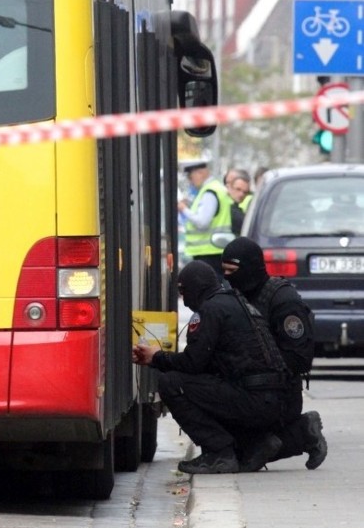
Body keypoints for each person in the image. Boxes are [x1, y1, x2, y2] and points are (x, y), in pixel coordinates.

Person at [133, 260, 296, 474]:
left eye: (184, 292)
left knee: (172, 383)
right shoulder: (238, 302)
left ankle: (219, 453)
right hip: (274, 400)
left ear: (196, 288)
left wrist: (156, 357)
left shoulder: (209, 310)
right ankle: (254, 442)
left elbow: (192, 364)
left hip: (254, 400)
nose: (184, 302)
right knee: (209, 387)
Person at [221, 236, 328, 472]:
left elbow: (300, 358)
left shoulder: (282, 300)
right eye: (224, 271)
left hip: (278, 393)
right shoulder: (234, 298)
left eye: (233, 270)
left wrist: (260, 366)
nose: (228, 277)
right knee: (233, 452)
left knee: (246, 454)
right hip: (245, 386)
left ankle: (302, 432)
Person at [178, 161, 233, 276]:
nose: (190, 181)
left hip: (208, 252)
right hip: (214, 250)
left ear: (201, 173)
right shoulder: (215, 188)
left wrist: (184, 209)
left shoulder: (210, 192)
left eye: (190, 176)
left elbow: (202, 222)